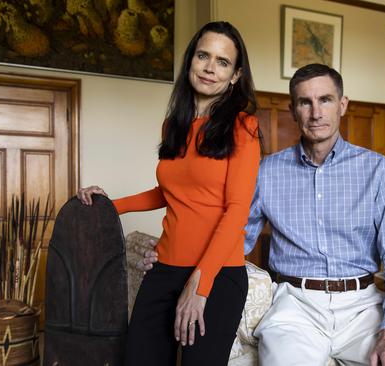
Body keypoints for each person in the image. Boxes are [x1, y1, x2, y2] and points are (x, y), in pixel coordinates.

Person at [138, 63, 385, 366]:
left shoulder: (378, 170)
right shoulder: (267, 172)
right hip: (295, 308)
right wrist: (170, 256)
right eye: (305, 102)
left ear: (342, 105)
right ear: (293, 109)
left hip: (363, 306)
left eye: (325, 100)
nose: (316, 113)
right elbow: (234, 237)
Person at [77, 21, 261, 366]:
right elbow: (170, 191)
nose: (209, 67)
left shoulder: (243, 127)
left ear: (235, 75)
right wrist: (109, 206)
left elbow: (236, 211)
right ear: (190, 60)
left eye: (222, 62)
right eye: (203, 55)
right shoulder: (173, 125)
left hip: (218, 275)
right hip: (165, 268)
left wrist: (200, 285)